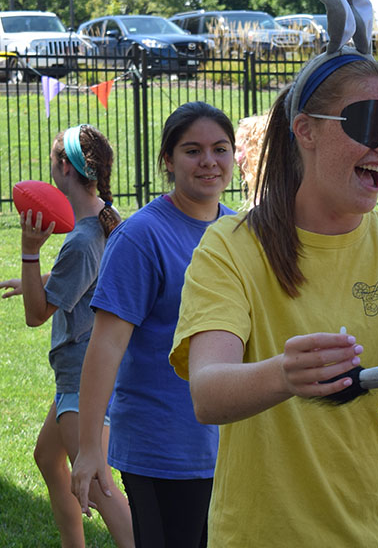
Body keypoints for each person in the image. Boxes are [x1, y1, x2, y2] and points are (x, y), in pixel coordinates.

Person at [167, 0, 378, 547]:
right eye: (368, 125)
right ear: (304, 130)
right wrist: (285, 373)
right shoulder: (231, 245)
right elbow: (208, 393)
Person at [70, 102, 236, 548]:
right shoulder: (141, 236)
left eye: (220, 149)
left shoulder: (242, 233)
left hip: (232, 450)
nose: (209, 162)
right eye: (192, 150)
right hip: (163, 452)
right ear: (167, 160)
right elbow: (105, 346)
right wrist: (89, 448)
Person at [0, 125, 133, 547]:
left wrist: (29, 251)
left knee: (99, 490)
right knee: (46, 457)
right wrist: (36, 279)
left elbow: (37, 316)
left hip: (82, 377)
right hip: (82, 374)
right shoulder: (105, 219)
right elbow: (83, 282)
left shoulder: (82, 238)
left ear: (62, 168)